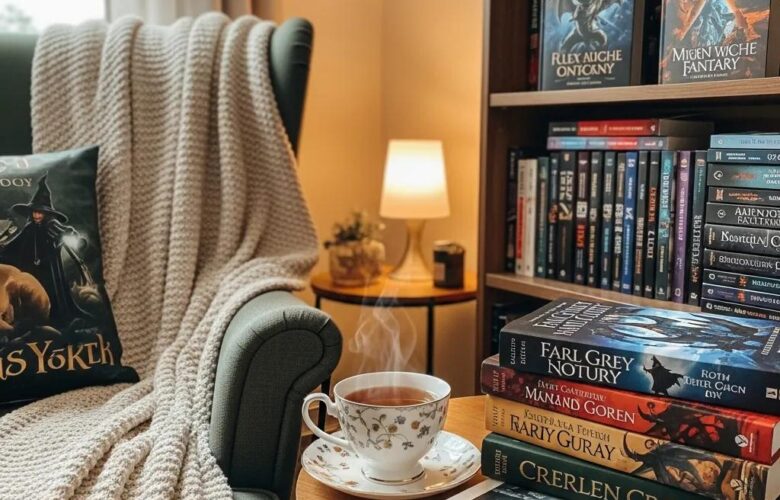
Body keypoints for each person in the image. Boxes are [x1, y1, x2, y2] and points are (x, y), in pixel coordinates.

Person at [0, 175, 88, 328]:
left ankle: (58, 320)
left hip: (48, 268)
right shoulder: (29, 227)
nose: (37, 215)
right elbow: (14, 245)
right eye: (34, 212)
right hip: (30, 268)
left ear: (46, 213)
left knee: (53, 293)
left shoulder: (51, 225)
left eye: (40, 212)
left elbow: (65, 231)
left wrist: (73, 237)